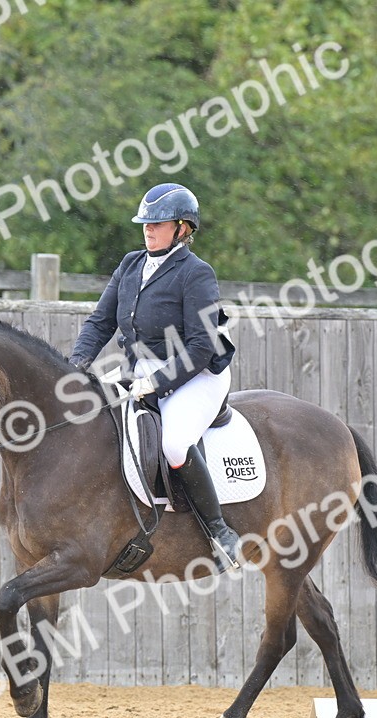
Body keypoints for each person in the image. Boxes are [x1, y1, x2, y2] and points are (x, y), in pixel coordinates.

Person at [68, 183, 242, 572]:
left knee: (176, 444)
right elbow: (100, 322)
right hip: (139, 368)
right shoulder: (130, 265)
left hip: (196, 373)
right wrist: (77, 363)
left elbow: (201, 347)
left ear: (182, 228)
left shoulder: (196, 274)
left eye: (158, 223)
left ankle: (220, 531)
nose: (148, 229)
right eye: (145, 223)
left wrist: (157, 384)